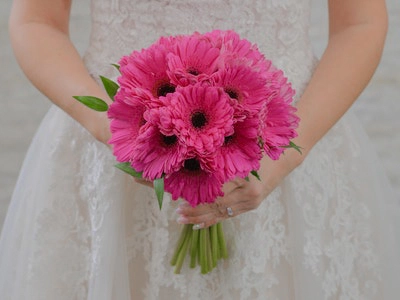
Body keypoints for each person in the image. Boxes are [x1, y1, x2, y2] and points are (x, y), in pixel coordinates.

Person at [1, 0, 399, 299]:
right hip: (113, 154)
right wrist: (116, 128)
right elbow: (37, 21)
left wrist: (283, 159)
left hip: (286, 145)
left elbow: (359, 23)